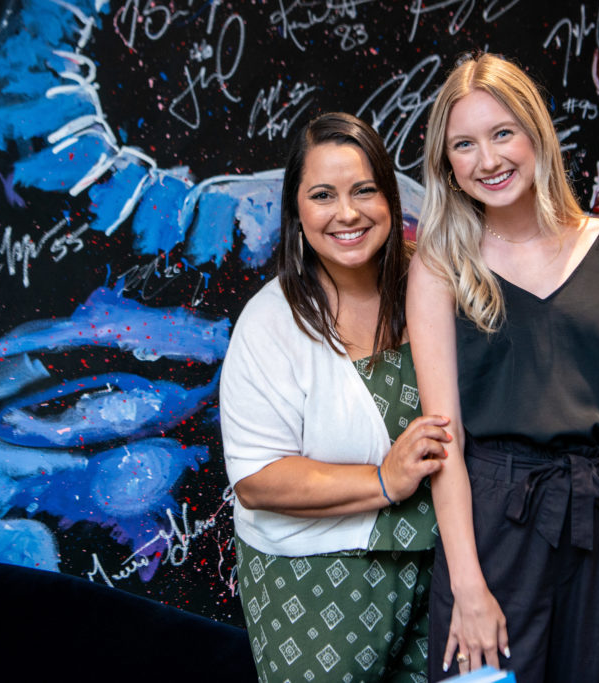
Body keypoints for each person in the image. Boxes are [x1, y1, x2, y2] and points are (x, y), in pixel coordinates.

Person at [406, 54, 599, 682]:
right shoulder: (440, 267)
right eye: (464, 145)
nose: (488, 160)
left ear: (536, 134)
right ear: (447, 165)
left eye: (502, 134)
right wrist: (467, 581)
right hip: (496, 523)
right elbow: (446, 437)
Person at [220, 112, 451, 683]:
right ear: (298, 212)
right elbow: (256, 478)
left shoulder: (431, 289)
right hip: (316, 580)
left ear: (391, 199)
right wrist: (383, 480)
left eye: (364, 191)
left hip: (438, 568)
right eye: (323, 195)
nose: (347, 213)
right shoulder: (270, 322)